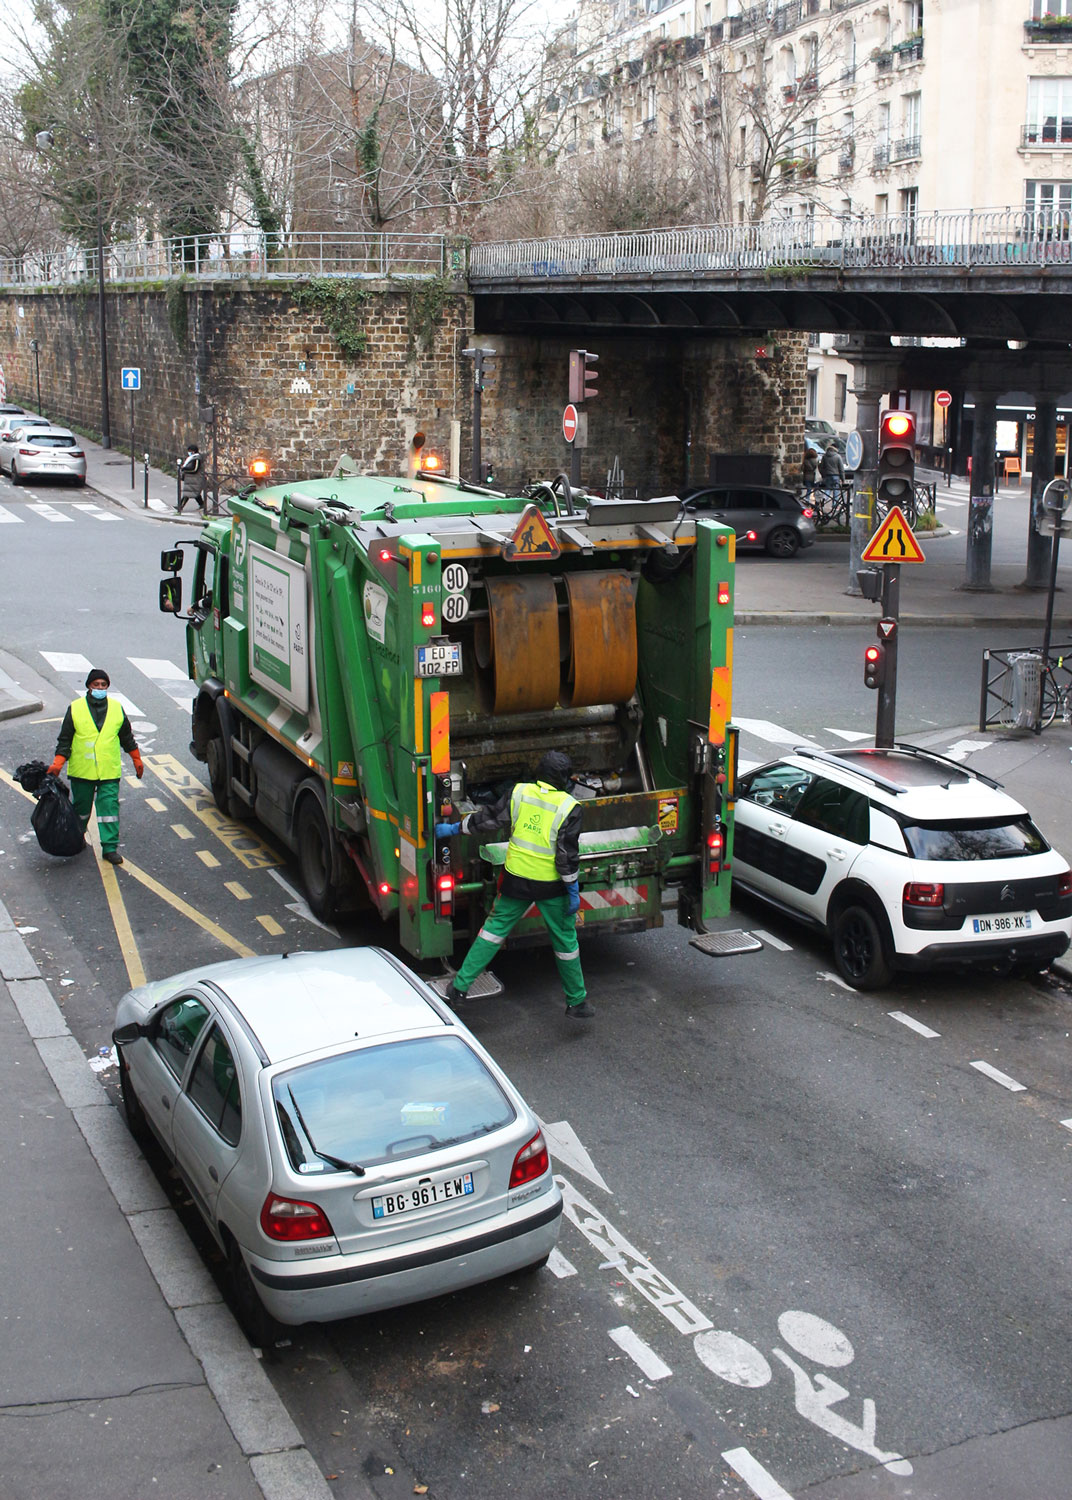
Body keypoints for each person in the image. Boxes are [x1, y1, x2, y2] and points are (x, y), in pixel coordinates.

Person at [436, 750, 593, 1020]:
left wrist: (455, 829)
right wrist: (572, 889)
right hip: (550, 885)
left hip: (516, 880)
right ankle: (576, 1002)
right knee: (566, 942)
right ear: (564, 779)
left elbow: (488, 818)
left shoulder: (519, 792)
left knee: (492, 932)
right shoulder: (570, 807)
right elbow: (566, 856)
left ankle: (458, 989)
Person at [48, 669, 144, 865]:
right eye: (96, 684)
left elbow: (126, 737)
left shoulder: (117, 708)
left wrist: (136, 758)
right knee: (81, 809)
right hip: (82, 771)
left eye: (103, 685)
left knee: (109, 809)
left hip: (109, 771)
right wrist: (58, 762)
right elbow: (65, 739)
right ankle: (78, 837)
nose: (100, 688)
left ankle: (109, 848)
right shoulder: (75, 708)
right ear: (89, 686)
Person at [178, 442, 205, 514]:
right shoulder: (192, 458)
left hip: (195, 479)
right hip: (191, 479)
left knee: (188, 493)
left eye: (189, 451)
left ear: (193, 451)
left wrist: (184, 469)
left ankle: (180, 506)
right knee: (194, 493)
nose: (188, 452)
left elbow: (195, 469)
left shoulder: (197, 458)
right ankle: (202, 505)